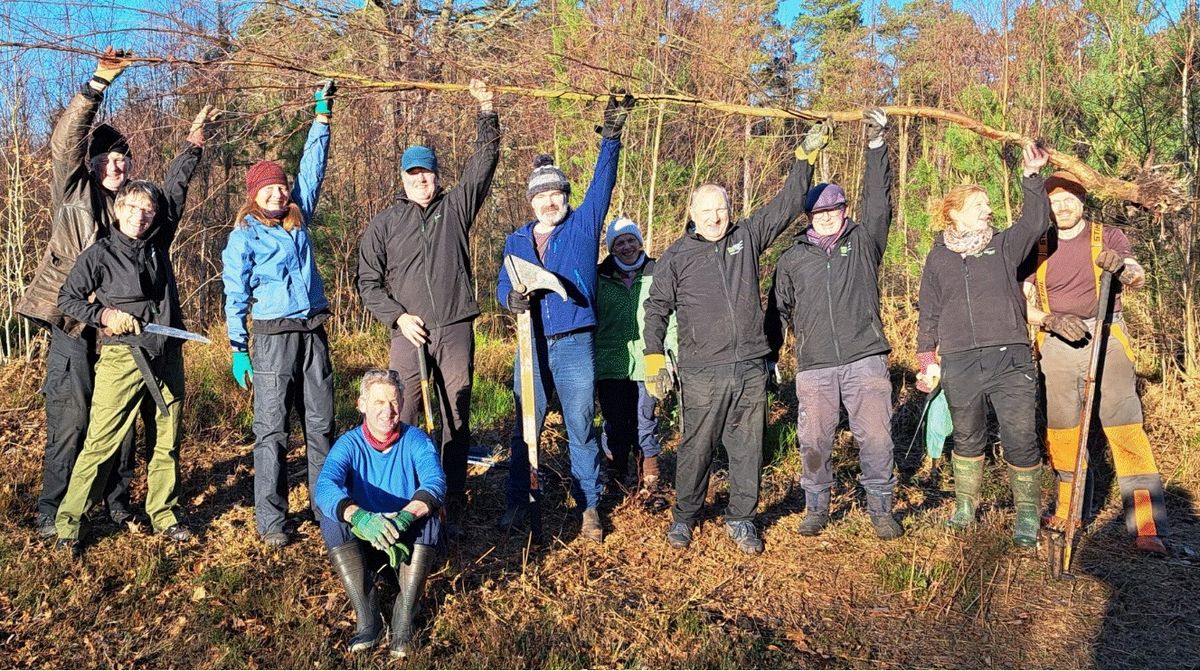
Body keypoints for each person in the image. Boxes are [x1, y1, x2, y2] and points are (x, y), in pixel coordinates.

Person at [17, 48, 205, 538]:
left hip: (129, 334)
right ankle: (54, 512)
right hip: (75, 322)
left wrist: (191, 149)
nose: (117, 165)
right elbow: (65, 146)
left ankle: (118, 506)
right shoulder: (75, 192)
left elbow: (173, 200)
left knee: (123, 424)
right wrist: (97, 85)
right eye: (108, 158)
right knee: (76, 419)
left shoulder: (137, 212)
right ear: (94, 162)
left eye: (124, 159)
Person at [642, 120, 831, 555]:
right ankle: (685, 517)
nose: (715, 216)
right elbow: (656, 310)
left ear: (730, 208)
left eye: (721, 208)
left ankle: (742, 518)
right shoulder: (676, 259)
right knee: (696, 447)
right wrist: (654, 359)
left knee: (748, 448)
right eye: (706, 210)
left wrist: (804, 158)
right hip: (702, 372)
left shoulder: (745, 237)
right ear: (692, 213)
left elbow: (785, 206)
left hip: (749, 367)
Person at [357, 80, 500, 528]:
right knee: (404, 413)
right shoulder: (384, 225)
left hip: (455, 327)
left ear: (438, 176)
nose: (421, 179)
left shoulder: (455, 208)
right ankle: (408, 496)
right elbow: (368, 283)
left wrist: (487, 110)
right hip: (408, 335)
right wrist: (398, 318)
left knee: (456, 410)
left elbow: (483, 165)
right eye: (413, 173)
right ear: (402, 177)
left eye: (428, 172)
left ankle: (451, 498)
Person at [495, 93, 635, 543]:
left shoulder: (582, 223)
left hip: (574, 340)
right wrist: (510, 300)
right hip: (528, 341)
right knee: (526, 427)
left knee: (579, 423)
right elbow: (504, 283)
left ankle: (590, 505)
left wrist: (611, 135)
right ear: (532, 201)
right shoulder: (516, 239)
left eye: (555, 194)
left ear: (564, 197)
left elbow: (603, 184)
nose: (549, 202)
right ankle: (520, 501)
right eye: (542, 195)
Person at [54, 156, 209, 552]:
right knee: (101, 443)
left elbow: (175, 190)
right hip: (122, 358)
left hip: (166, 354)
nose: (141, 215)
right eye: (134, 208)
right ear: (119, 210)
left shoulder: (158, 244)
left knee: (166, 440)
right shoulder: (100, 255)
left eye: (148, 210)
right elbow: (67, 299)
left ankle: (165, 513)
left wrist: (193, 145)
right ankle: (70, 523)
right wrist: (104, 314)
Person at [765, 108, 901, 540]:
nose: (826, 216)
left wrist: (876, 145)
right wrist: (772, 358)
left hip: (866, 359)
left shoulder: (863, 242)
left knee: (876, 438)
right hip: (816, 365)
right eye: (818, 211)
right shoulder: (791, 260)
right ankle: (817, 506)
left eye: (835, 208)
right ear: (808, 217)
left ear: (845, 210)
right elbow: (778, 311)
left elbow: (880, 202)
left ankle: (880, 507)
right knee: (814, 441)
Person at [1019, 171, 1168, 555]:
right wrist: (1049, 321)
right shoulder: (1037, 245)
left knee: (1125, 427)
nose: (1063, 205)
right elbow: (1022, 302)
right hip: (1056, 341)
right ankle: (1069, 512)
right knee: (1064, 432)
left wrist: (1121, 268)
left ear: (1083, 200)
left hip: (1107, 336)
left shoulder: (1108, 236)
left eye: (1070, 197)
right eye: (1054, 200)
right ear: (1047, 206)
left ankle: (1147, 525)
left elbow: (1137, 276)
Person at [914, 142, 1052, 549]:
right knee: (968, 437)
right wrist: (927, 360)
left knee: (1021, 437)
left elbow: (1036, 220)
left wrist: (1031, 177)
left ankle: (1026, 516)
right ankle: (964, 509)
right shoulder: (937, 259)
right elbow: (929, 313)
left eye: (989, 204)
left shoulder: (1006, 245)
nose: (988, 210)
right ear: (954, 213)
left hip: (1010, 359)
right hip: (958, 362)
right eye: (979, 205)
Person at [222, 81, 335, 548]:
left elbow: (313, 169)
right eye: (268, 188)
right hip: (271, 337)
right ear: (254, 195)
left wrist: (322, 118)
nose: (277, 193)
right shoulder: (244, 237)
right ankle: (271, 521)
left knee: (322, 423)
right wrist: (238, 348)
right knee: (271, 431)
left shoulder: (298, 215)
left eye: (281, 186)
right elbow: (235, 295)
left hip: (313, 331)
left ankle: (326, 507)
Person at [315, 369, 445, 659]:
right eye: (378, 403)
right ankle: (367, 616)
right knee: (332, 518)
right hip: (365, 540)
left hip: (404, 539)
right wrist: (359, 517)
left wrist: (405, 517)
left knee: (430, 517)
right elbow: (325, 487)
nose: (388, 411)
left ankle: (404, 616)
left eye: (394, 402)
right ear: (362, 404)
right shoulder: (348, 444)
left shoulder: (417, 440)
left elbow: (434, 483)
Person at [594, 216, 675, 496]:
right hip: (610, 362)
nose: (627, 246)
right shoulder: (599, 277)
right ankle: (616, 475)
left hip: (647, 361)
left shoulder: (659, 271)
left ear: (640, 243)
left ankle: (650, 477)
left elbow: (671, 317)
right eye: (620, 242)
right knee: (615, 421)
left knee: (645, 420)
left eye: (631, 240)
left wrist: (669, 354)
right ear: (611, 248)